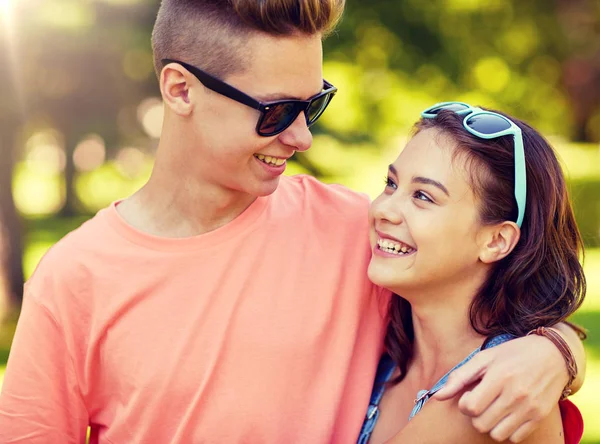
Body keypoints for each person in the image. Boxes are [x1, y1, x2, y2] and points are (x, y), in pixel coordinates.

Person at [0, 2, 586, 443]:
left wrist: (551, 350)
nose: (301, 136)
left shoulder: (358, 235)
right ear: (180, 90)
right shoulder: (73, 279)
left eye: (313, 105)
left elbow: (478, 291)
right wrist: (557, 353)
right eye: (276, 111)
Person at [357, 103, 586, 444]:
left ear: (496, 240)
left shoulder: (492, 395)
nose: (382, 209)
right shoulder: (388, 352)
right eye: (391, 183)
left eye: (423, 196)